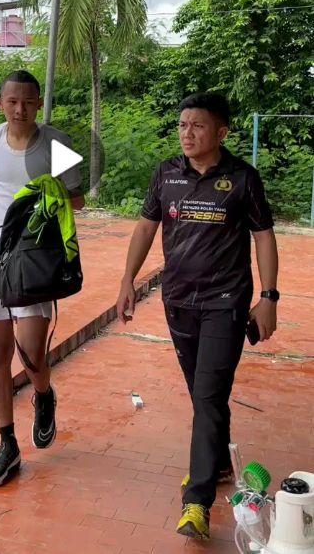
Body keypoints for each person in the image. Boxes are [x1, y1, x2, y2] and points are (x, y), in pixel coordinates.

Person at [116, 92, 278, 541]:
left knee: (207, 396)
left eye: (198, 126)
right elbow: (146, 227)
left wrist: (268, 297)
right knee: (203, 393)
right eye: (182, 125)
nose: (187, 134)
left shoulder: (242, 178)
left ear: (221, 132)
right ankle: (219, 462)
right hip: (178, 301)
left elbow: (264, 236)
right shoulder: (167, 173)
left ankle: (197, 502)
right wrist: (128, 280)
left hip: (226, 302)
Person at [0, 70, 84, 487]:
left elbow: (78, 199)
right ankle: (7, 444)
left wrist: (50, 193)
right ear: (0, 103)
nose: (20, 109)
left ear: (38, 103)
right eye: (12, 102)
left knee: (31, 355)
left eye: (28, 102)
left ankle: (43, 394)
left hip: (34, 261)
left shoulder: (58, 144)